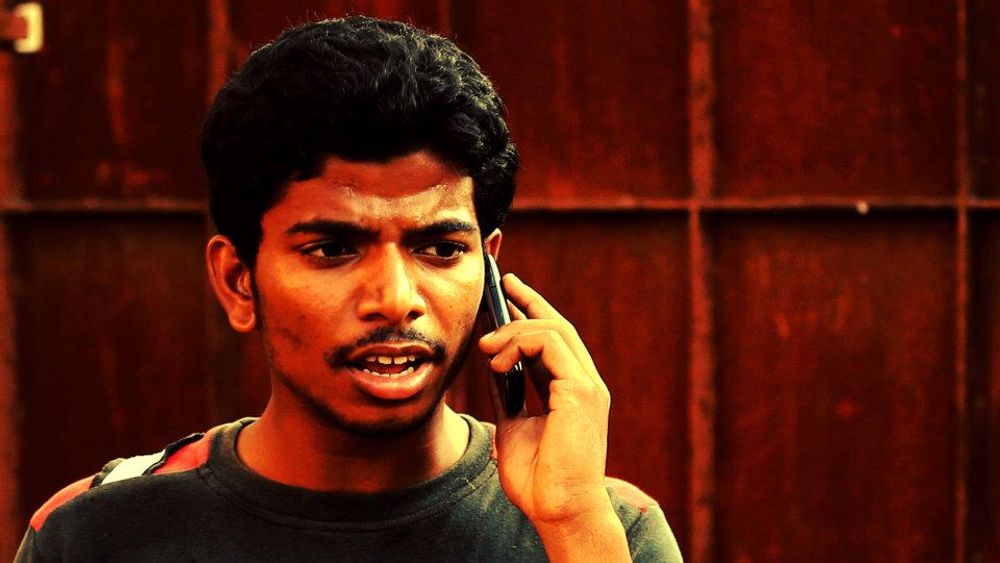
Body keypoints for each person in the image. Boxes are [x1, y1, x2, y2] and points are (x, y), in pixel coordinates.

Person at [15, 16, 683, 562]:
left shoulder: (604, 529)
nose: (395, 298)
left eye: (440, 249)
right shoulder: (99, 533)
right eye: (333, 249)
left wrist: (571, 526)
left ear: (489, 270)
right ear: (239, 281)